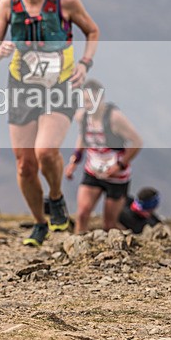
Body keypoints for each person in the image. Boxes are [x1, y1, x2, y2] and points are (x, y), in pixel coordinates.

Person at [0, 0, 99, 247]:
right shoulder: (8, 5)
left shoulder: (65, 1)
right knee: (25, 165)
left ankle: (56, 197)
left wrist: (85, 64)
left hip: (60, 86)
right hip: (21, 88)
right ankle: (39, 223)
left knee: (45, 152)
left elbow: (92, 30)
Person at [64, 79, 143, 233]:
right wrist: (74, 161)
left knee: (109, 225)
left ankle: (130, 241)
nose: (88, 105)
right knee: (82, 214)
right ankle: (78, 245)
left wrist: (120, 165)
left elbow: (137, 142)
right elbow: (82, 137)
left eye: (92, 101)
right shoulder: (82, 117)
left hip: (116, 176)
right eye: (85, 101)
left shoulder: (114, 118)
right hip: (93, 171)